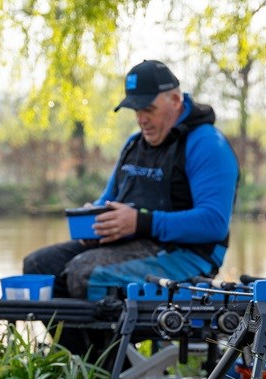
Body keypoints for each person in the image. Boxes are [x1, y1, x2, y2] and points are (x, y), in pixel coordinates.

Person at [23, 60, 240, 307]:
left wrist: (141, 222)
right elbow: (109, 198)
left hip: (190, 254)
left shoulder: (208, 144)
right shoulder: (134, 144)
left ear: (175, 100)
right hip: (132, 245)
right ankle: (74, 335)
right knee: (38, 266)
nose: (141, 119)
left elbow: (214, 223)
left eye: (149, 109)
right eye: (136, 110)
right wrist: (95, 221)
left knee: (85, 273)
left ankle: (110, 334)